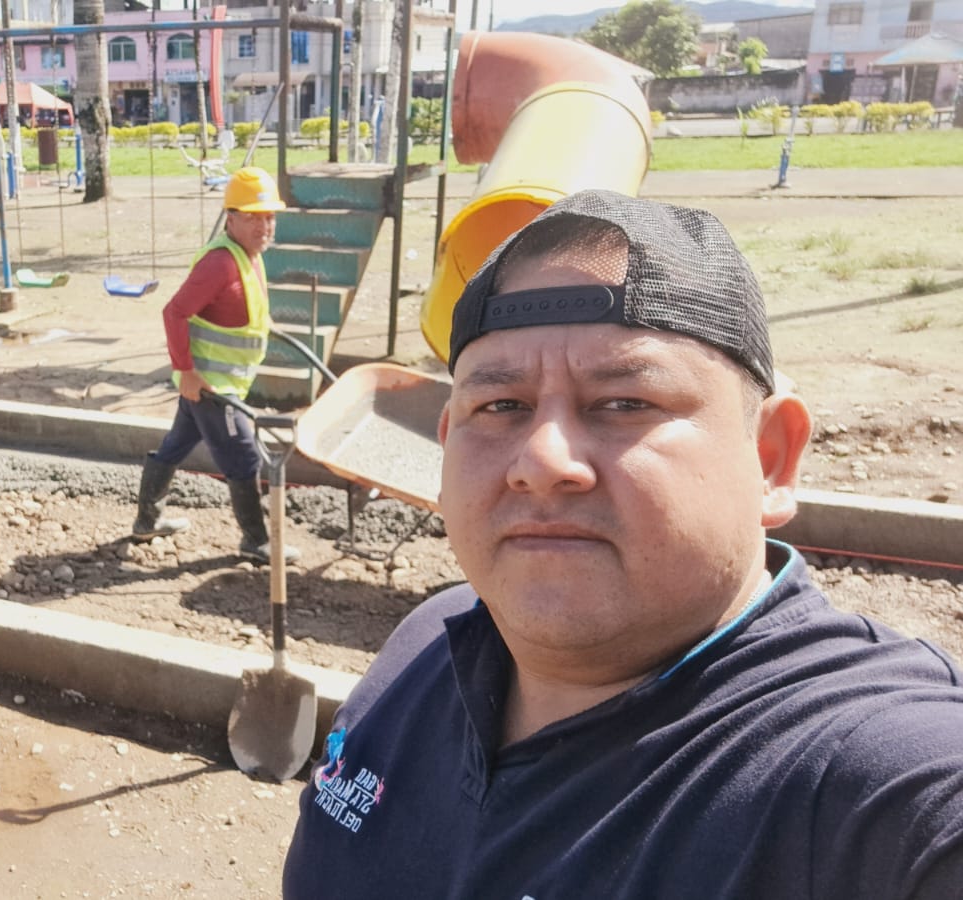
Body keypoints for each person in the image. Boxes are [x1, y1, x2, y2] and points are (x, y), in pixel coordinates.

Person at [282, 190, 963, 898]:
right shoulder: (426, 645)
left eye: (624, 403)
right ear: (448, 443)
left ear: (770, 458)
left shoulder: (872, 785)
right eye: (502, 406)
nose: (542, 460)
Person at [131, 166, 298, 565]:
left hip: (219, 384)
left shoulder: (249, 256)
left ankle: (146, 521)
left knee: (175, 445)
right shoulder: (220, 264)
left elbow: (240, 308)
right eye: (253, 217)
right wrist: (186, 371)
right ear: (231, 218)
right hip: (210, 387)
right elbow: (174, 313)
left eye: (269, 217)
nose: (264, 226)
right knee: (244, 457)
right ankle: (256, 541)